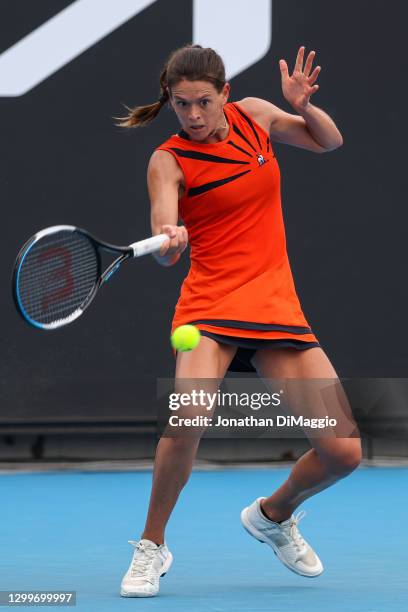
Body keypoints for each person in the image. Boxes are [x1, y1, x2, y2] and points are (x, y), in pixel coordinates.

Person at [117, 44, 361, 598]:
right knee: (186, 422)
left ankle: (273, 515)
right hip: (208, 308)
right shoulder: (168, 160)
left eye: (203, 102)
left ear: (226, 94)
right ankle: (152, 546)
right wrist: (169, 241)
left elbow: (328, 140)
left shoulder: (256, 116)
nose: (194, 116)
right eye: (181, 105)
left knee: (343, 453)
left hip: (274, 304)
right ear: (171, 104)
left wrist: (303, 105)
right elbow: (164, 238)